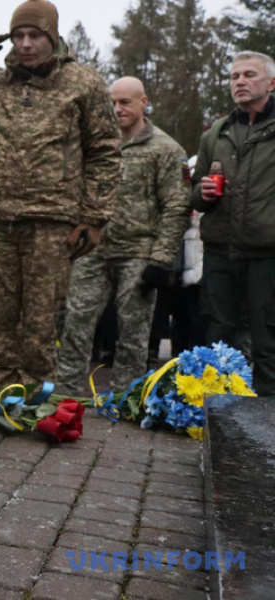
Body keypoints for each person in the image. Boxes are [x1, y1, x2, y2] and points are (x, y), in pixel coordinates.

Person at [0, 0, 120, 385]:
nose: (26, 44)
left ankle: (37, 395)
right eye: (18, 36)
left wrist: (94, 218)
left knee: (40, 323)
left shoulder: (83, 83)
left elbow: (104, 152)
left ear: (53, 37)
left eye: (35, 35)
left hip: (51, 221)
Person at [56, 77, 190, 394]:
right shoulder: (96, 146)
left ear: (143, 102)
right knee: (75, 322)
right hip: (93, 250)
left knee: (134, 331)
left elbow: (176, 205)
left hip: (139, 252)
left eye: (125, 102)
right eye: (112, 103)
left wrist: (161, 259)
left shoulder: (166, 149)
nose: (117, 109)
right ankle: (65, 394)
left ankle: (124, 398)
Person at [192, 51, 275, 395]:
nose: (240, 81)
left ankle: (270, 418)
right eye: (234, 76)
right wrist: (203, 193)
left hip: (267, 255)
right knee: (218, 340)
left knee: (269, 344)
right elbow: (195, 196)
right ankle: (218, 416)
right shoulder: (215, 134)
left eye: (249, 75)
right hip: (220, 252)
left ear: (271, 83)